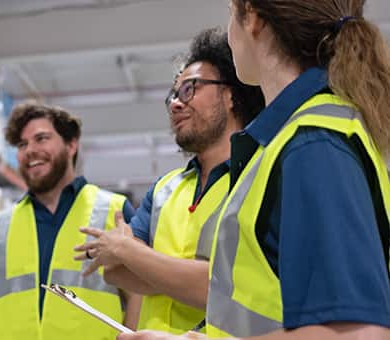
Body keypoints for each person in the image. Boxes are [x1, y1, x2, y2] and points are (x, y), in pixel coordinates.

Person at [121, 0, 390, 339]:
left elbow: (356, 335)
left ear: (253, 18)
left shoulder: (311, 145)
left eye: (230, 14)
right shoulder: (283, 144)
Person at [74, 27, 264, 334]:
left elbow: (221, 291)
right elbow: (115, 272)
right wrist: (138, 261)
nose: (176, 103)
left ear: (231, 96)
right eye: (173, 95)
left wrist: (130, 251)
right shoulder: (165, 189)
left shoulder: (257, 175)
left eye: (190, 89)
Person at [0, 103, 139, 340]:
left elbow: (139, 297)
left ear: (71, 145)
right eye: (22, 144)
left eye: (41, 138)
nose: (30, 150)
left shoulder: (114, 210)